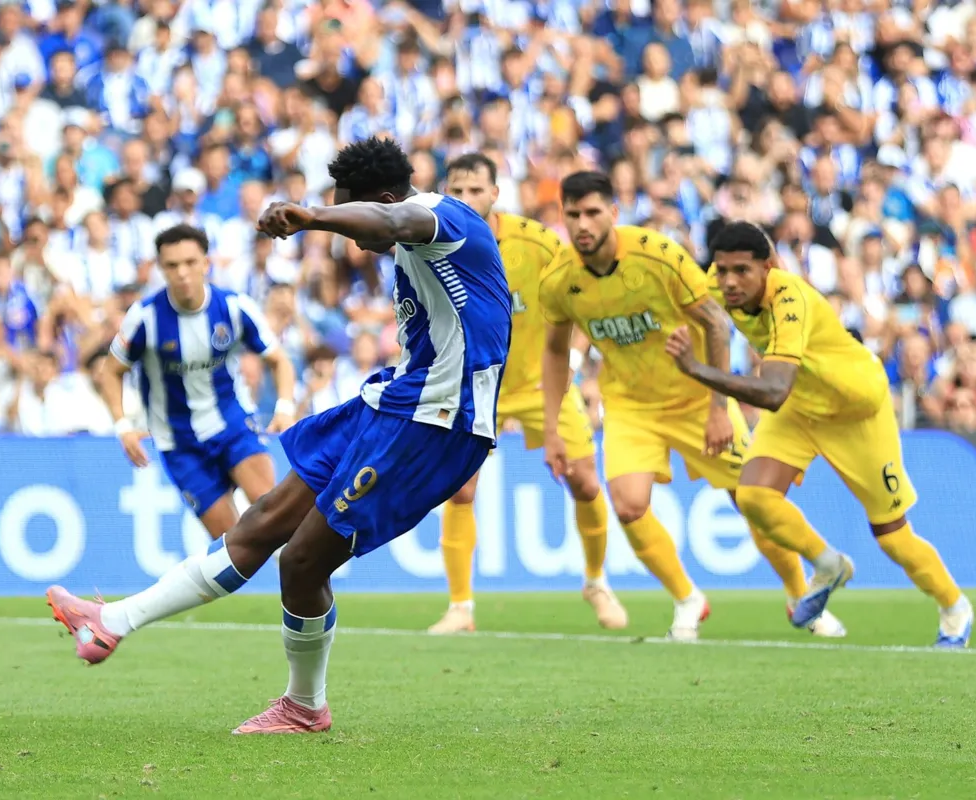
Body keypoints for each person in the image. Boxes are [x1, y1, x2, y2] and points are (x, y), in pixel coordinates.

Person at [46, 137, 512, 733]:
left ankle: (304, 706)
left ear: (384, 198)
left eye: (352, 214)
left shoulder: (439, 217)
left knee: (301, 563)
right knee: (264, 518)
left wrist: (313, 216)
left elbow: (394, 220)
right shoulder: (412, 249)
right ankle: (112, 622)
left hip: (436, 423)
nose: (353, 240)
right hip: (394, 402)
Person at [540, 171, 846, 640]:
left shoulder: (658, 254)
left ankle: (799, 595)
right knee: (628, 505)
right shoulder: (559, 279)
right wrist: (552, 430)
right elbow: (555, 351)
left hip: (696, 396)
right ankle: (687, 599)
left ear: (613, 213)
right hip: (631, 405)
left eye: (593, 212)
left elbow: (716, 324)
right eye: (573, 214)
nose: (583, 224)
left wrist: (719, 409)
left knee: (754, 502)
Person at [664, 221, 973, 647]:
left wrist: (698, 370)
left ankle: (954, 605)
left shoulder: (790, 300)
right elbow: (673, 292)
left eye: (742, 271)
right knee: (752, 496)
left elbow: (773, 392)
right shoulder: (718, 286)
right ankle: (828, 565)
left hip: (855, 409)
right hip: (801, 406)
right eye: (723, 270)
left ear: (768, 267)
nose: (730, 282)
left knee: (893, 536)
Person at [429, 152, 622, 635]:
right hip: (473, 384)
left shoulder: (537, 243)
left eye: (477, 190)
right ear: (445, 194)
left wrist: (572, 362)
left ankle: (596, 581)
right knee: (459, 489)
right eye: (458, 191)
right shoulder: (431, 246)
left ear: (496, 194)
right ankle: (460, 606)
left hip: (540, 383)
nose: (467, 199)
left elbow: (584, 297)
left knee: (585, 482)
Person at [78, 223, 296, 542]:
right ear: (161, 268)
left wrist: (285, 407)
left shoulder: (234, 307)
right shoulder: (144, 317)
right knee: (235, 545)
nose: (182, 273)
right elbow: (111, 371)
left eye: (190, 262)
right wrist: (123, 426)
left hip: (233, 423)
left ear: (206, 264)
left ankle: (299, 569)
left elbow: (279, 360)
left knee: (272, 512)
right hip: (179, 442)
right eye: (172, 265)